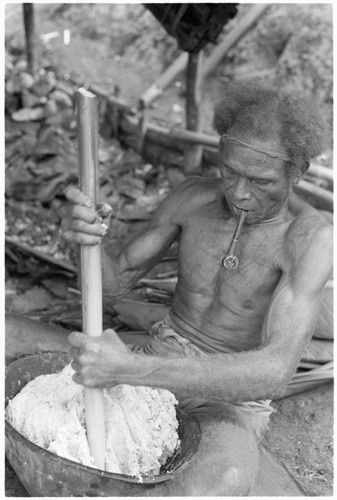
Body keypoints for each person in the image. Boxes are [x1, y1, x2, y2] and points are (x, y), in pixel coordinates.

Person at [16, 81, 335, 495]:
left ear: (297, 173)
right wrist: (83, 238)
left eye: (261, 181)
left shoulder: (310, 238)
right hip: (153, 354)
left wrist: (131, 370)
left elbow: (273, 373)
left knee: (220, 484)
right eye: (230, 171)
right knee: (10, 331)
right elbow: (113, 285)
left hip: (224, 399)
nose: (239, 192)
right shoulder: (191, 199)